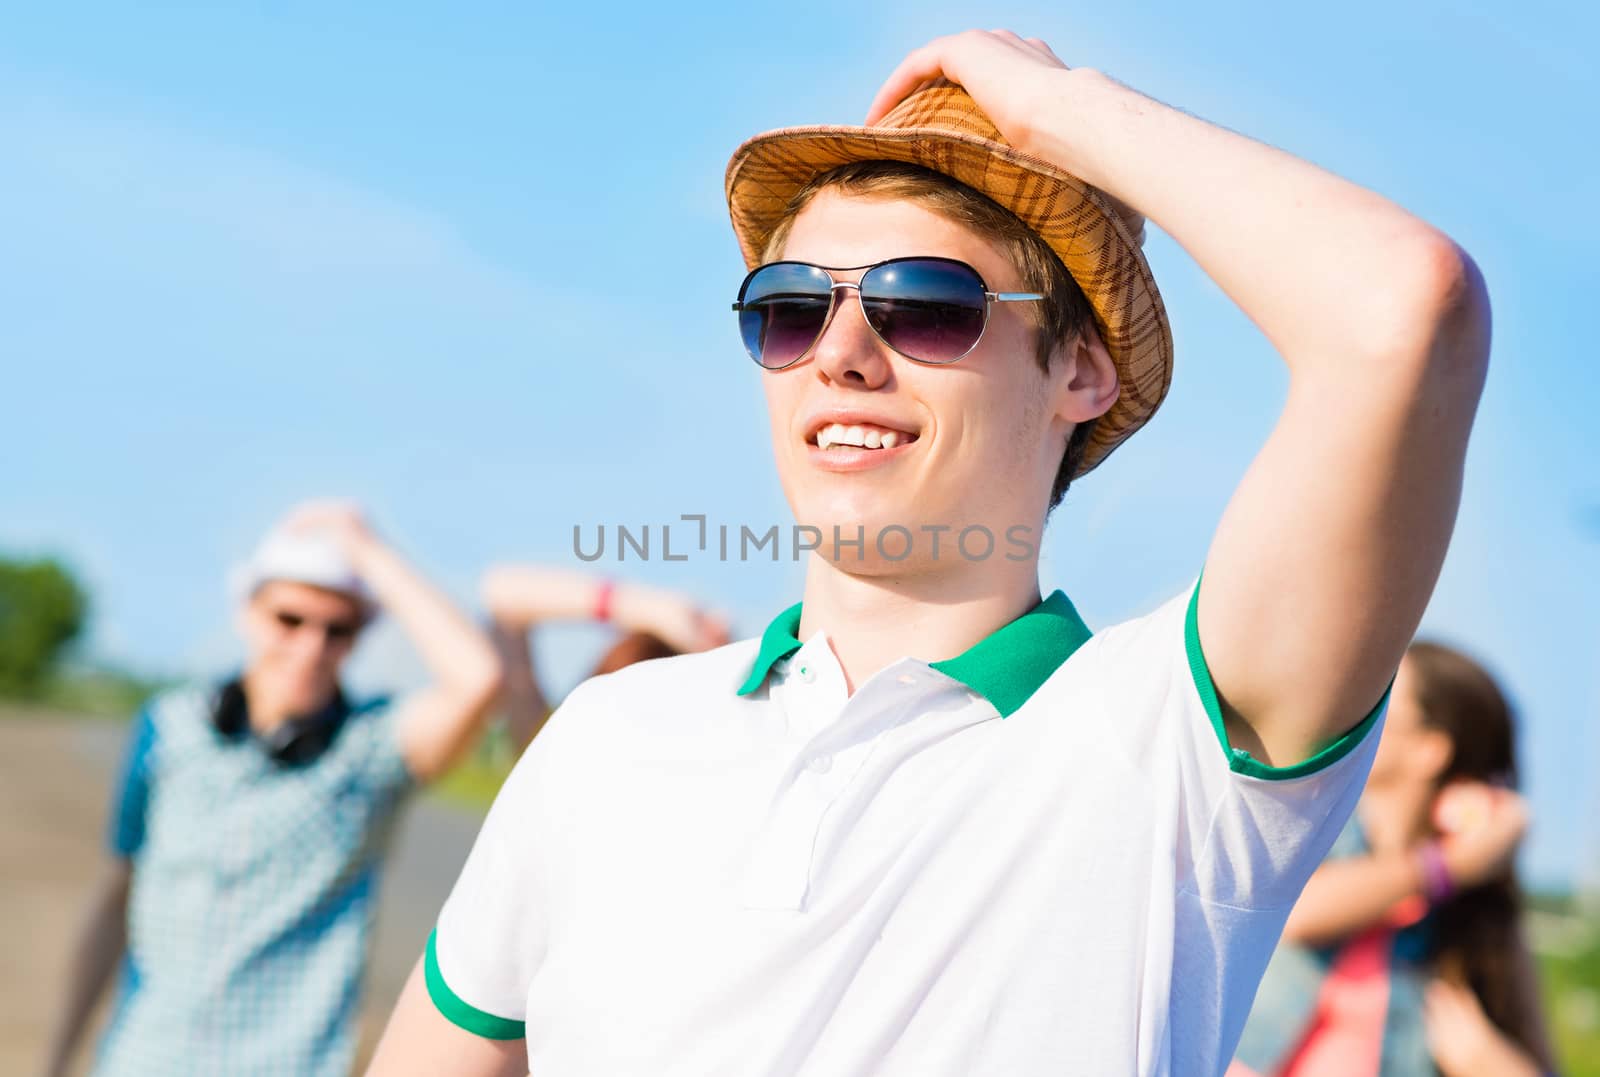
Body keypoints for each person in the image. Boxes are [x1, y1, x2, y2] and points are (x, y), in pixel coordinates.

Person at [368, 29, 1491, 1076]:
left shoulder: (1177, 743)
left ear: (1079, 371)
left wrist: (1060, 113)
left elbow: (1402, 309)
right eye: (791, 307)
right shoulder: (606, 741)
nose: (842, 352)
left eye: (925, 304)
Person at [39, 502, 503, 1077]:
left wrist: (365, 547)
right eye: (290, 619)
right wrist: (58, 1056)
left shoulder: (372, 750)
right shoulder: (167, 726)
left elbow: (479, 678)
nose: (311, 647)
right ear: (247, 611)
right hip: (141, 1058)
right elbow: (117, 897)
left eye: (339, 629)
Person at [1231, 642, 1557, 1076]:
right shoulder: (1310, 833)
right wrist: (1452, 864)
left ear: (1430, 750)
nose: (1350, 707)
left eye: (1379, 698)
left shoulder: (1477, 918)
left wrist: (1489, 1063)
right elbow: (1300, 912)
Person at [479, 566, 730, 748]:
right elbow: (500, 591)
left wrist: (651, 608)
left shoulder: (561, 749)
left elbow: (501, 590)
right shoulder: (565, 748)